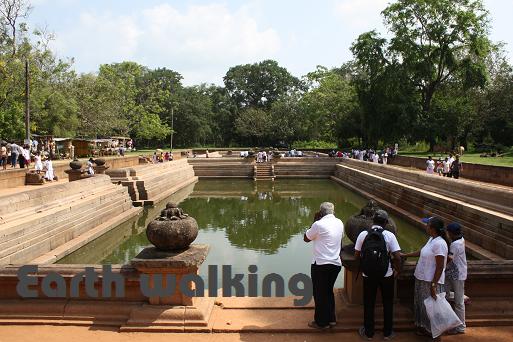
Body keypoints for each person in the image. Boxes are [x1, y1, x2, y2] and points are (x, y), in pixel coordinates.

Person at [355, 210, 401, 340]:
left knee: (369, 303)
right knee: (387, 302)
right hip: (386, 274)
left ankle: (369, 333)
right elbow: (397, 256)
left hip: (368, 274)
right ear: (386, 222)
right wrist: (398, 270)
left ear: (372, 221)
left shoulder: (363, 234)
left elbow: (356, 255)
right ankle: (387, 332)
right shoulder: (389, 235)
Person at [401, 217, 449, 341]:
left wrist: (433, 285)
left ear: (432, 228)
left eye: (427, 225)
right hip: (422, 278)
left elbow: (439, 267)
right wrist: (405, 255)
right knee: (422, 305)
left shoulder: (440, 243)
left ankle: (434, 333)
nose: (426, 227)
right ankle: (424, 329)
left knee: (431, 308)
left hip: (430, 281)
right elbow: (422, 252)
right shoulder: (431, 239)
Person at [304, 202, 344, 329]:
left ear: (321, 212)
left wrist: (314, 221)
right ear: (333, 211)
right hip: (335, 264)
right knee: (328, 291)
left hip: (321, 264)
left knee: (320, 293)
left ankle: (321, 322)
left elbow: (306, 238)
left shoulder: (318, 224)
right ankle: (331, 319)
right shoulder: (340, 222)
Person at [445, 222, 467, 334]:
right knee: (445, 296)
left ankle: (461, 327)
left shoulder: (456, 244)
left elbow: (449, 258)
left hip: (457, 275)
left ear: (451, 233)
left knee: (459, 302)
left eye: (448, 232)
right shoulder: (460, 240)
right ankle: (452, 323)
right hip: (451, 273)